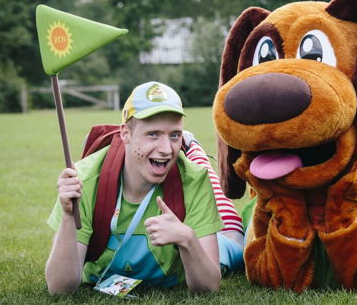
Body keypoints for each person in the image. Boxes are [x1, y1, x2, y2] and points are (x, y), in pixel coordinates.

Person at [45, 81, 243, 295]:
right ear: (125, 133)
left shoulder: (194, 180)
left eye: (174, 135)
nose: (166, 149)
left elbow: (208, 287)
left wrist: (187, 239)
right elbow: (59, 289)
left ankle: (193, 149)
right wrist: (67, 217)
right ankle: (190, 146)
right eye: (153, 134)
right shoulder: (83, 179)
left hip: (204, 235)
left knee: (236, 244)